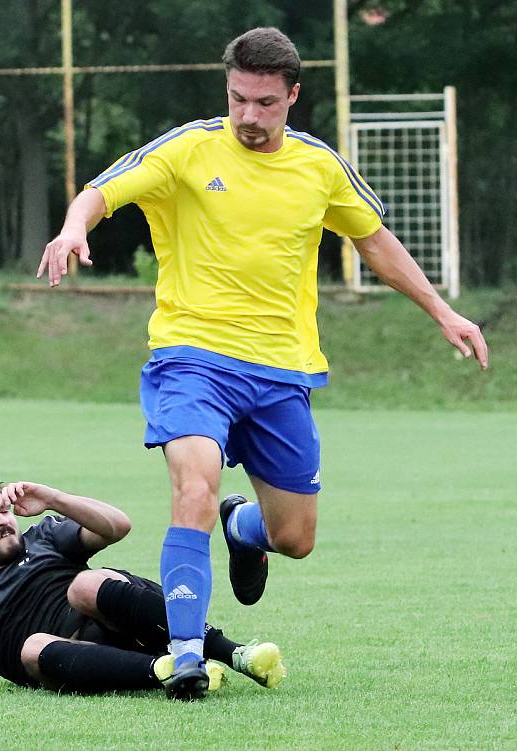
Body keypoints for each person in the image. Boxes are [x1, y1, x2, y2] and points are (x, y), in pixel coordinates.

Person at [37, 27, 489, 700]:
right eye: (238, 99)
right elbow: (102, 190)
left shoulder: (318, 166)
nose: (249, 116)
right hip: (193, 358)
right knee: (192, 483)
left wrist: (442, 310)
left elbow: (374, 239)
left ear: (292, 97)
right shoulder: (189, 148)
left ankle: (241, 525)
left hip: (282, 372)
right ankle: (186, 656)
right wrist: (75, 226)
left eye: (265, 103)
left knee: (295, 536)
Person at [0, 472, 286, 699]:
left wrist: (52, 498)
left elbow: (118, 526)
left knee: (85, 584)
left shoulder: (45, 538)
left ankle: (235, 655)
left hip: (129, 620)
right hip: (79, 661)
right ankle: (171, 673)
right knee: (31, 647)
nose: (3, 520)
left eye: (2, 509)